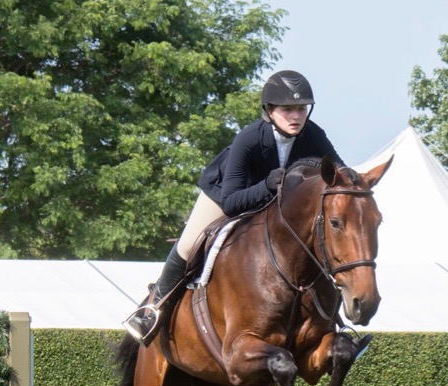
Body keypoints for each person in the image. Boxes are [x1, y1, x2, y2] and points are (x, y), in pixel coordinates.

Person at [124, 70, 344, 346]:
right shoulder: (249, 138)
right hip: (226, 195)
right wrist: (266, 186)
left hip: (274, 206)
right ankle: (154, 308)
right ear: (270, 110)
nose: (296, 116)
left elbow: (340, 172)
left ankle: (334, 323)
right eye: (287, 109)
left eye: (301, 109)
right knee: (190, 242)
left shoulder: (313, 135)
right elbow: (230, 201)